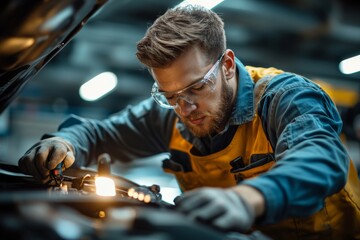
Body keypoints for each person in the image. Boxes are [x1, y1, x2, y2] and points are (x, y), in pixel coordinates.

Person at [18, 4, 360, 239]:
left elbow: (321, 159)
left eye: (197, 87)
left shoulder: (284, 97)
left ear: (227, 65)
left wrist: (248, 199)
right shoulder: (170, 113)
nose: (185, 108)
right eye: (170, 95)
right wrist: (65, 143)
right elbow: (98, 134)